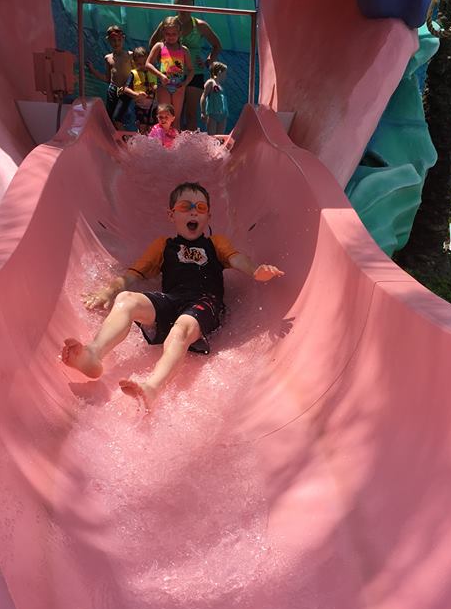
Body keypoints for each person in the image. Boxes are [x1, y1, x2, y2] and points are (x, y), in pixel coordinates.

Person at [60, 182, 284, 409]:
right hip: (172, 300)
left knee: (180, 329)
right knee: (126, 299)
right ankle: (93, 354)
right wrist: (109, 291)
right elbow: (134, 273)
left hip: (204, 302)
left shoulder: (215, 244)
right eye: (186, 207)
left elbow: (236, 259)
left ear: (208, 216)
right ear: (172, 214)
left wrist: (255, 271)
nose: (194, 212)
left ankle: (152, 388)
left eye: (201, 208)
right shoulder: (163, 246)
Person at [149, 0, 222, 132]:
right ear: (176, 5)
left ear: (193, 6)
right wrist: (161, 61)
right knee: (173, 114)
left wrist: (208, 61)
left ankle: (187, 144)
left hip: (194, 73)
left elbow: (217, 45)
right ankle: (170, 141)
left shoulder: (200, 25)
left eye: (188, 6)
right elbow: (153, 43)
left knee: (190, 114)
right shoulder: (168, 24)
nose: (185, 9)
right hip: (171, 75)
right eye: (181, 5)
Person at [146, 16, 194, 131]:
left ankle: (175, 141)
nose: (171, 37)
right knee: (164, 117)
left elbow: (191, 70)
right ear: (163, 33)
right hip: (164, 86)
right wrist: (160, 75)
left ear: (179, 33)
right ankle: (162, 140)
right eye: (168, 34)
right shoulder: (160, 46)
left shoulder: (184, 50)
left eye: (174, 34)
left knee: (175, 118)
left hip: (178, 87)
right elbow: (148, 64)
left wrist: (185, 84)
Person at [87, 25, 133, 130]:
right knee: (110, 119)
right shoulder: (108, 58)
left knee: (117, 119)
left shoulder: (130, 55)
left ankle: (126, 138)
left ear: (123, 39)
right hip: (112, 90)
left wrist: (130, 87)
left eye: (119, 40)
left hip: (126, 90)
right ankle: (117, 138)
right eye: (113, 40)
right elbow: (107, 78)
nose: (116, 43)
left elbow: (136, 74)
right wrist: (93, 71)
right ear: (108, 41)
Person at [121, 47, 158, 135]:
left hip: (154, 106)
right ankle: (142, 140)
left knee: (153, 128)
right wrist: (136, 94)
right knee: (142, 127)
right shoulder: (133, 74)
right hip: (141, 107)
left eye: (144, 63)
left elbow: (162, 85)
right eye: (139, 64)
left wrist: (157, 88)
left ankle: (152, 141)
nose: (142, 66)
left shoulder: (154, 71)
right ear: (134, 63)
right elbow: (125, 89)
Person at [200, 61, 229, 135]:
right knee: (212, 136)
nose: (225, 76)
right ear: (219, 72)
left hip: (223, 114)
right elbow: (203, 97)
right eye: (224, 73)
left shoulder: (220, 86)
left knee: (220, 136)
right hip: (213, 114)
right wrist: (203, 112)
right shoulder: (210, 82)